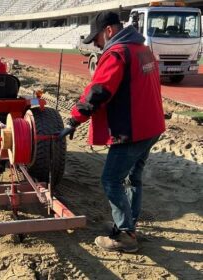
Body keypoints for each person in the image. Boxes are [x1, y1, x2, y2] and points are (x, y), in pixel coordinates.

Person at [59, 11, 165, 252]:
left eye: (96, 38)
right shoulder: (142, 49)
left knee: (110, 179)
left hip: (133, 130)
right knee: (132, 178)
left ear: (109, 31)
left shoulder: (117, 53)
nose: (96, 44)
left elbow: (98, 91)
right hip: (151, 126)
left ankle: (125, 235)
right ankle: (128, 225)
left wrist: (74, 120)